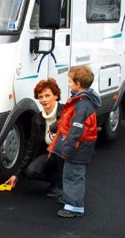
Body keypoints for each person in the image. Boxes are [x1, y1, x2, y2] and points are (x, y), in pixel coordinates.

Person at [47, 65, 102, 218]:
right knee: (71, 173)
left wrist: (68, 148)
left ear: (78, 84)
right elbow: (67, 118)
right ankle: (70, 199)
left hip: (79, 146)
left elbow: (76, 129)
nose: (68, 84)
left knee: (74, 174)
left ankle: (74, 207)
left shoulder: (82, 104)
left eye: (70, 81)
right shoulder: (80, 99)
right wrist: (55, 126)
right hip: (81, 145)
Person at [5, 78, 64, 198]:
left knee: (59, 149)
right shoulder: (37, 119)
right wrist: (17, 174)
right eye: (40, 97)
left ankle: (62, 185)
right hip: (49, 154)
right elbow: (30, 148)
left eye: (47, 96)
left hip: (66, 153)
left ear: (56, 96)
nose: (43, 100)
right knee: (30, 171)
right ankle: (56, 179)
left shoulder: (65, 112)